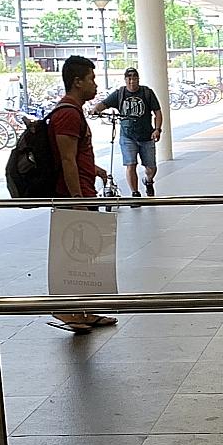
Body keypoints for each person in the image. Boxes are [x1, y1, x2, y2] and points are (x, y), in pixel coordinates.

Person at [49, 55, 116, 335]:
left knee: (83, 256)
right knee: (73, 254)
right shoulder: (67, 113)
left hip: (83, 191)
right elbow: (66, 160)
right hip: (74, 196)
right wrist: (78, 200)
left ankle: (84, 310)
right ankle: (67, 309)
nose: (95, 84)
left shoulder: (74, 112)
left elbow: (76, 157)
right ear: (77, 82)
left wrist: (96, 170)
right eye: (91, 78)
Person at [96, 68, 163, 198]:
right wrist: (95, 110)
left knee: (151, 168)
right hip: (127, 136)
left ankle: (148, 181)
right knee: (130, 164)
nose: (132, 80)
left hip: (146, 136)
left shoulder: (147, 93)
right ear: (125, 79)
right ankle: (135, 193)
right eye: (129, 78)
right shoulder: (120, 93)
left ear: (138, 78)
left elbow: (157, 112)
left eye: (134, 77)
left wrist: (157, 129)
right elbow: (103, 104)